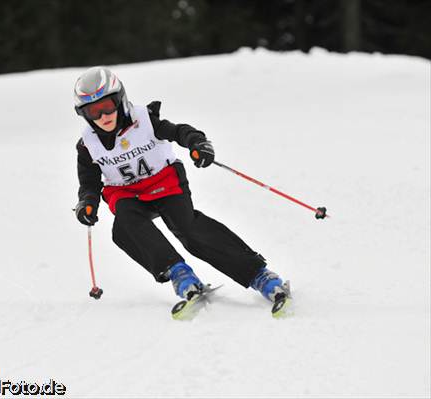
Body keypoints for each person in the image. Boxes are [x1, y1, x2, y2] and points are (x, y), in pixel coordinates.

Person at [73, 66, 289, 306]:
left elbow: (179, 131)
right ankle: (178, 272)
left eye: (108, 106)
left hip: (164, 183)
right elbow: (89, 182)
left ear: (120, 100)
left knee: (188, 228)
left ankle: (258, 275)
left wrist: (197, 143)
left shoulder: (144, 120)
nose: (103, 116)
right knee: (124, 227)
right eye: (93, 111)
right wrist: (87, 202)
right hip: (127, 193)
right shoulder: (87, 145)